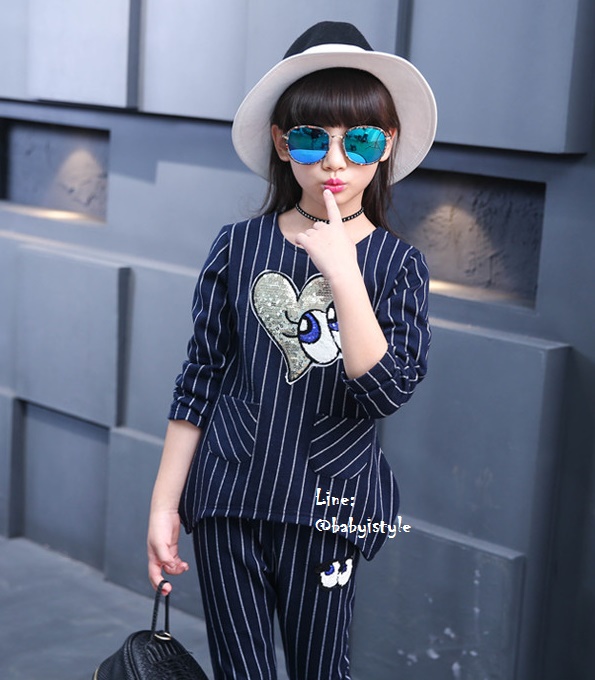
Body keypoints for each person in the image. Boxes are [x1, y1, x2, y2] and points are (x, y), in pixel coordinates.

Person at [147, 21, 437, 680]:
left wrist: (342, 272)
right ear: (282, 143)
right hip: (228, 500)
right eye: (311, 138)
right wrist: (164, 506)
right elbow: (199, 381)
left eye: (359, 140)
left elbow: (386, 390)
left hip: (330, 511)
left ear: (386, 145)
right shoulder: (238, 246)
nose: (335, 161)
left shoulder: (397, 265)